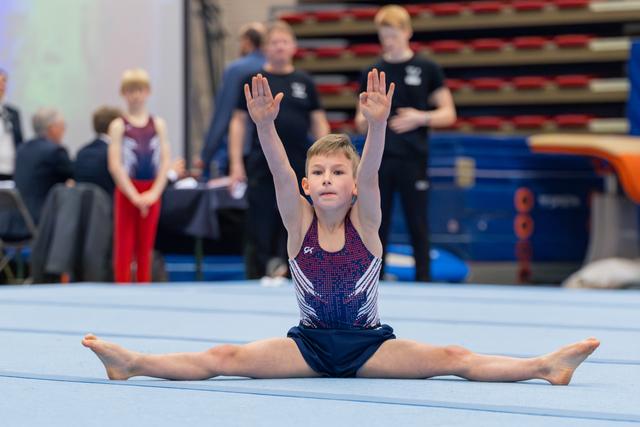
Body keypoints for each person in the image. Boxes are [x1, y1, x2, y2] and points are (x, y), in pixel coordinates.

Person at [82, 71, 599, 385]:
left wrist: (376, 126)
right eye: (319, 174)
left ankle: (544, 366)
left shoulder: (367, 222)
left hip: (369, 345)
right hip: (307, 346)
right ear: (307, 185)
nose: (327, 180)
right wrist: (263, 126)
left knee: (454, 358)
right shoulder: (297, 220)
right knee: (224, 357)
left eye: (337, 173)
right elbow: (280, 172)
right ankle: (133, 362)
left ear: (352, 187)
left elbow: (372, 171)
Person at [355, 5, 456, 282]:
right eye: (383, 35)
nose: (388, 41)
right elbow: (359, 120)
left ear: (407, 32)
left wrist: (420, 117)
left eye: (393, 34)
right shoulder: (372, 70)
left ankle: (424, 281)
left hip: (413, 158)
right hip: (380, 159)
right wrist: (371, 117)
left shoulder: (427, 68)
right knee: (377, 222)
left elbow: (449, 113)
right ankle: (373, 281)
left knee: (418, 224)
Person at [228, 20, 329, 279]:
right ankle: (256, 272)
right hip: (262, 162)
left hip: (298, 162)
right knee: (260, 220)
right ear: (265, 48)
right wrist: (236, 163)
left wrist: (328, 156)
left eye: (284, 42)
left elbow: (318, 121)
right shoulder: (254, 80)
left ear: (293, 47)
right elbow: (238, 122)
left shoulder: (304, 81)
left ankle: (292, 272)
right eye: (274, 43)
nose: (280, 47)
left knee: (296, 218)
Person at [107, 68, 171, 284]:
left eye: (140, 90)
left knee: (146, 248)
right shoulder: (118, 126)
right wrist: (134, 196)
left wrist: (154, 193)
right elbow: (115, 165)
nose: (135, 95)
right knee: (124, 247)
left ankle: (145, 289)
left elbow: (164, 162)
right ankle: (122, 288)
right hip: (127, 190)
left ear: (148, 92)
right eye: (130, 90)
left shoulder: (158, 125)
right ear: (123, 93)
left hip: (151, 190)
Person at [197, 22, 267, 177]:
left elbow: (222, 114)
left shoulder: (236, 69)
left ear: (247, 41)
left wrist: (206, 154)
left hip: (243, 148)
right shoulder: (273, 67)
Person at [14, 107, 73, 224]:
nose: (63, 130)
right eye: (62, 126)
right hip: (43, 217)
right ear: (52, 128)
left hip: (17, 217)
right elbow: (75, 175)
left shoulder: (21, 149)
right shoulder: (55, 151)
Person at [74, 106, 122, 197]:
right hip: (111, 207)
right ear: (114, 127)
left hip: (84, 208)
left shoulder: (82, 152)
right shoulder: (115, 154)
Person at [0, 68, 24, 180]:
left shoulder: (12, 113)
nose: (2, 85)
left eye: (4, 81)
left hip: (11, 170)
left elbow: (19, 141)